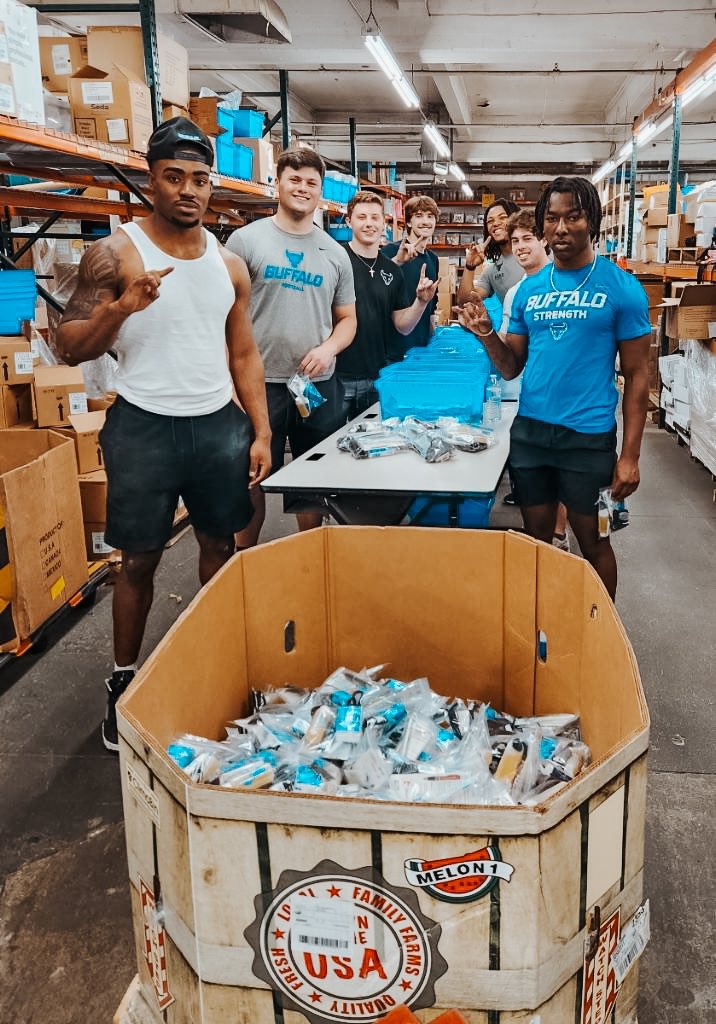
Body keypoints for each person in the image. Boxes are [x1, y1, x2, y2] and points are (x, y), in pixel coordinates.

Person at [55, 116, 272, 750]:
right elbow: (69, 346)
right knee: (139, 560)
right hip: (143, 425)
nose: (188, 191)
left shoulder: (230, 266)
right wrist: (122, 308)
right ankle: (123, 678)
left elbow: (244, 356)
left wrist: (259, 431)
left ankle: (220, 664)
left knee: (219, 548)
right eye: (173, 177)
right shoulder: (115, 253)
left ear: (212, 186)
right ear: (151, 179)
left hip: (216, 427)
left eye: (200, 180)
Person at [456, 176, 651, 599]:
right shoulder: (528, 291)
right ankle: (541, 623)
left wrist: (630, 456)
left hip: (588, 437)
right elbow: (511, 368)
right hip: (531, 433)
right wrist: (488, 333)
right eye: (553, 218)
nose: (562, 228)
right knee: (536, 538)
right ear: (543, 226)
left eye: (574, 217)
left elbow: (638, 376)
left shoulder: (622, 289)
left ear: (592, 221)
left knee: (593, 540)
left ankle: (601, 633)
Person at [226, 147, 357, 545]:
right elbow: (221, 314)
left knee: (311, 474)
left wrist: (328, 349)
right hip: (257, 384)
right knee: (251, 474)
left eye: (311, 182)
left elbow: (348, 320)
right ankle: (244, 557)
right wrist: (228, 381)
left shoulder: (335, 253)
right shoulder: (245, 241)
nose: (302, 188)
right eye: (294, 179)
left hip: (315, 386)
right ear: (277, 183)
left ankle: (304, 554)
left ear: (321, 192)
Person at [498, 210, 570, 551]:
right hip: (525, 394)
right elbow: (509, 345)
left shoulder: (564, 282)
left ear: (544, 239)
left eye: (528, 238)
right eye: (515, 241)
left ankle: (559, 536)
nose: (521, 247)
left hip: (565, 400)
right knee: (535, 476)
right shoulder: (516, 293)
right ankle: (545, 539)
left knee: (564, 474)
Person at [336, 190, 440, 419]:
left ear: (384, 223)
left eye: (375, 218)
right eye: (362, 217)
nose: (369, 224)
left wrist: (422, 302)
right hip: (337, 376)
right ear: (348, 220)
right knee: (328, 445)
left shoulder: (392, 269)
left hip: (379, 375)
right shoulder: (336, 259)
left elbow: (401, 324)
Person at [382, 195, 440, 360]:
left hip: (421, 350)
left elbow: (431, 306)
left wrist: (432, 340)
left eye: (430, 216)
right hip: (393, 351)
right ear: (408, 222)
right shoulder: (391, 253)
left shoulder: (433, 259)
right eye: (419, 216)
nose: (425, 221)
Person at [457, 197, 523, 305]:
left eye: (503, 217)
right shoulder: (492, 271)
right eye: (490, 221)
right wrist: (470, 266)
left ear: (516, 220)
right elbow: (465, 301)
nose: (495, 223)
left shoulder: (539, 255)